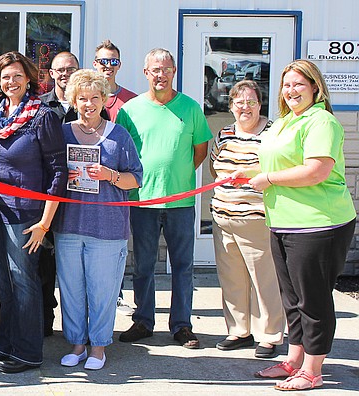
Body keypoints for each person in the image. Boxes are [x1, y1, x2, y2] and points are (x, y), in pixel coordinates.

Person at [246, 60, 355, 391]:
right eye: (286, 85)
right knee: (291, 298)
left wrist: (267, 179)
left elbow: (316, 171)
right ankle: (294, 360)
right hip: (283, 222)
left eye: (298, 85)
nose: (291, 91)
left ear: (315, 88)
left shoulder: (321, 121)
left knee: (313, 298)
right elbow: (277, 162)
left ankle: (313, 369)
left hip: (318, 224)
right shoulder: (284, 122)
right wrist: (253, 175)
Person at [0, 51, 67, 373]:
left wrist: (45, 222)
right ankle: (6, 344)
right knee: (2, 279)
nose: (10, 82)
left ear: (28, 78)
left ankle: (28, 352)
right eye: (4, 77)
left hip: (26, 214)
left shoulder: (42, 116)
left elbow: (59, 171)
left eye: (16, 75)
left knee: (23, 279)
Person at [115, 48, 211, 349]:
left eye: (166, 69)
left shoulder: (191, 108)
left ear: (173, 72)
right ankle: (143, 320)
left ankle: (182, 325)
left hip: (180, 202)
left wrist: (176, 175)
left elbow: (200, 151)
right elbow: (123, 153)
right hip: (143, 200)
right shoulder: (130, 110)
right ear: (146, 73)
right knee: (143, 265)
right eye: (155, 69)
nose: (161, 74)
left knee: (183, 266)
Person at [54, 69, 142, 370]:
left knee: (103, 290)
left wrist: (111, 175)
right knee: (71, 289)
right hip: (68, 225)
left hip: (107, 226)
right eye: (82, 98)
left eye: (94, 98)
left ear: (104, 99)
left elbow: (137, 179)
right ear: (73, 101)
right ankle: (77, 344)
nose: (88, 104)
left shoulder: (119, 135)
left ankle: (99, 347)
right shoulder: (63, 133)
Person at [209, 80, 284, 358]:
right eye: (239, 102)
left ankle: (270, 335)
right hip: (223, 217)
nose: (245, 107)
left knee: (265, 280)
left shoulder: (273, 132)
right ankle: (239, 330)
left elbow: (280, 168)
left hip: (257, 220)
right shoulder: (224, 134)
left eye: (251, 102)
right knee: (232, 278)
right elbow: (214, 167)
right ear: (230, 106)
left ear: (260, 104)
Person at [92, 39, 139, 316]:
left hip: (117, 183)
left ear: (119, 65)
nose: (107, 67)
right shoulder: (84, 95)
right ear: (94, 64)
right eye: (102, 61)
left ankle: (117, 293)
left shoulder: (131, 101)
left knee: (116, 241)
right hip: (85, 182)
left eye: (113, 61)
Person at [36, 50, 79, 336]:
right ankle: (43, 320)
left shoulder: (89, 106)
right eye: (59, 70)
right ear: (51, 74)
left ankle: (76, 326)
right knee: (42, 263)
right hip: (46, 195)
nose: (64, 73)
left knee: (74, 266)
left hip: (79, 199)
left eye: (70, 69)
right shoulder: (39, 107)